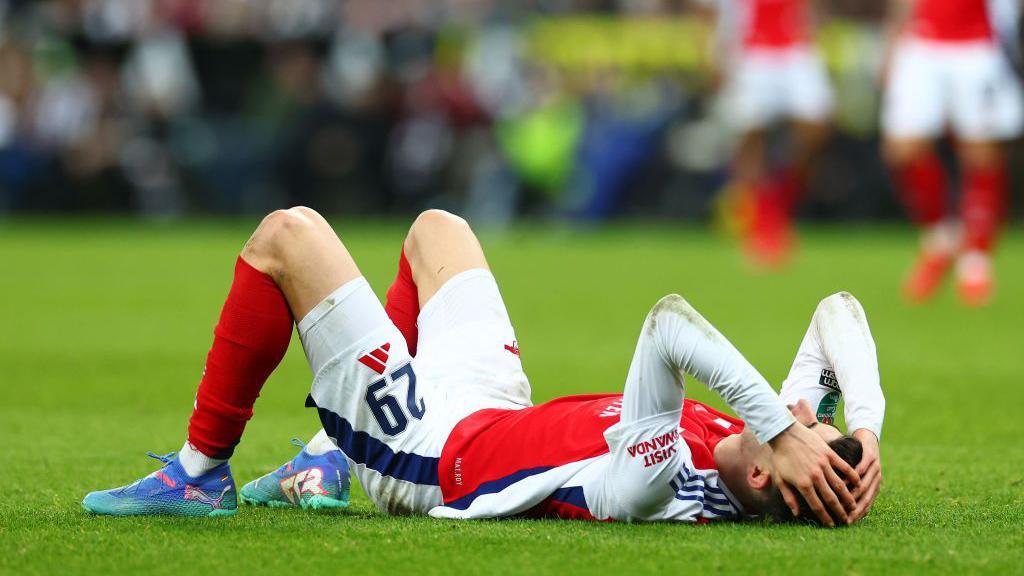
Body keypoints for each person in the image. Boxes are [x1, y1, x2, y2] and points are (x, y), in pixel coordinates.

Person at [82, 208, 873, 525]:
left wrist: (778, 422)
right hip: (490, 404)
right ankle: (325, 460)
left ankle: (199, 471)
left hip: (431, 453)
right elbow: (838, 312)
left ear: (768, 477)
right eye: (812, 416)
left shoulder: (654, 480)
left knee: (287, 236)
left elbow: (667, 326)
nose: (805, 412)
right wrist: (862, 427)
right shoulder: (767, 447)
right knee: (437, 230)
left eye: (804, 428)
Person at [883, 0, 1023, 306]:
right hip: (922, 43)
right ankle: (941, 238)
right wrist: (892, 40)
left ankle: (976, 260)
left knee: (980, 151)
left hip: (975, 45)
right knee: (902, 149)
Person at [702, 0, 834, 268]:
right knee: (750, 137)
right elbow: (712, 12)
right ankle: (763, 225)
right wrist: (715, 53)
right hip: (750, 50)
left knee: (816, 130)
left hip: (796, 46)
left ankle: (778, 202)